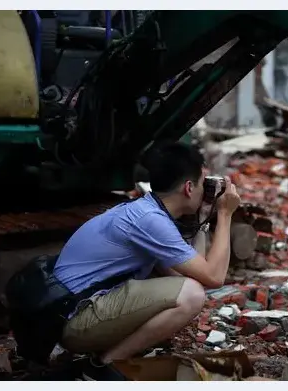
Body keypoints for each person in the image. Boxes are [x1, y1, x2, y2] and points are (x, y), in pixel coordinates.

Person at [53, 142, 241, 380]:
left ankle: (105, 358)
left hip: (72, 314)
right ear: (188, 187)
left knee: (188, 289)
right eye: (204, 184)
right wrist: (225, 215)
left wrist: (202, 219)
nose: (206, 191)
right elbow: (213, 278)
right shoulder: (149, 221)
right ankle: (103, 366)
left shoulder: (146, 212)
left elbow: (189, 276)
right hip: (75, 323)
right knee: (191, 295)